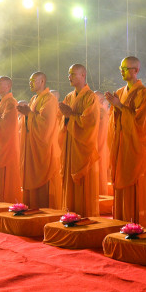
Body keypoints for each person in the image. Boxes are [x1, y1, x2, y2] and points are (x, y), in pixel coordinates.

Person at [106, 57, 146, 226]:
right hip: (121, 144)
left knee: (134, 182)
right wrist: (117, 108)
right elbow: (114, 121)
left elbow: (140, 122)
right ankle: (120, 219)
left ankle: (135, 222)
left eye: (125, 68)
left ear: (136, 70)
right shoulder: (119, 92)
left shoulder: (143, 93)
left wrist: (120, 107)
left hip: (134, 146)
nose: (122, 71)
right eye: (121, 67)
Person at [58, 64, 101, 216]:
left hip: (83, 147)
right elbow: (61, 121)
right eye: (68, 74)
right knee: (69, 182)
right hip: (70, 146)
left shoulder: (91, 97)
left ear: (83, 75)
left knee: (84, 185)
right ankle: (70, 214)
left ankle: (85, 215)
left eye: (73, 74)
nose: (69, 77)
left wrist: (70, 116)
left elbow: (89, 122)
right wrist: (65, 118)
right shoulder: (69, 97)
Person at [17, 72, 63, 209]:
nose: (30, 83)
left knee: (44, 186)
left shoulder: (50, 99)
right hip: (32, 146)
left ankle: (44, 212)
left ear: (42, 81)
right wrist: (28, 115)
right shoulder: (33, 99)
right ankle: (31, 208)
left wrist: (29, 114)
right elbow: (30, 121)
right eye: (29, 80)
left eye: (33, 80)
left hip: (43, 148)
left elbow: (46, 124)